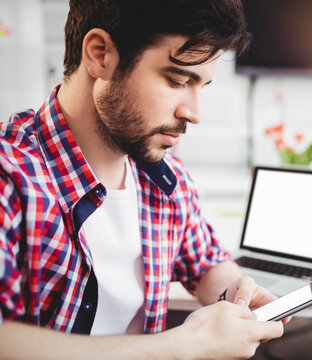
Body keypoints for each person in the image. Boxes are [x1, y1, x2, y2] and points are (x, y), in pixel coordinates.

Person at [0, 0, 285, 358]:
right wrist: (185, 345)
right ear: (100, 55)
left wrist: (238, 292)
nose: (194, 113)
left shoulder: (166, 179)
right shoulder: (10, 176)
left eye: (203, 86)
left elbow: (207, 262)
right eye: (177, 80)